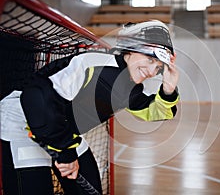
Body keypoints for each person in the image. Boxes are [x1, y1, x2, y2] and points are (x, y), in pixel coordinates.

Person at [0, 20, 179, 194]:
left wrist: (168, 90)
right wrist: (66, 152)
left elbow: (154, 111)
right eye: (149, 60)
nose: (151, 71)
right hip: (22, 122)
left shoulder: (132, 88)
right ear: (131, 50)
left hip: (61, 131)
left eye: (158, 68)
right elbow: (36, 98)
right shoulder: (92, 64)